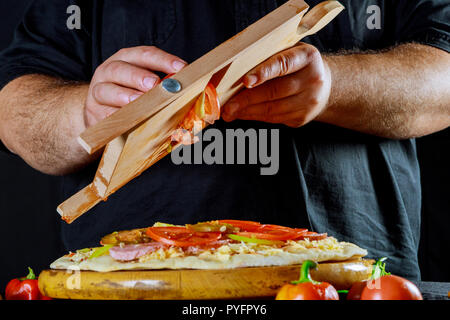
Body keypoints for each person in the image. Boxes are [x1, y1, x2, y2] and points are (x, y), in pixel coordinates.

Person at [0, 0, 448, 280]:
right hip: (127, 281)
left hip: (351, 281)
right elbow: (14, 108)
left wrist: (333, 86)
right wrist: (88, 112)